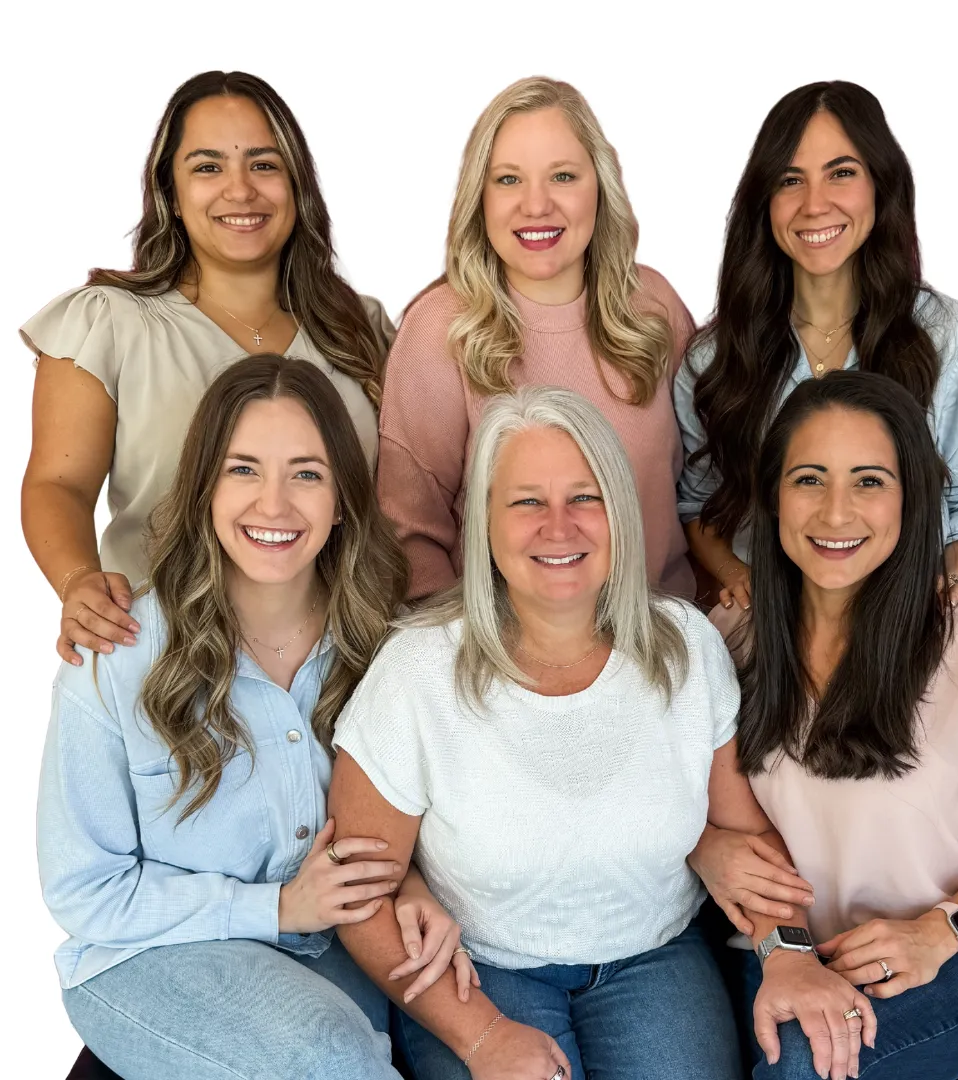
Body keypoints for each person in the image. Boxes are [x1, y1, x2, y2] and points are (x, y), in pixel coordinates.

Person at [326, 385, 836, 1080]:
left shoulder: (685, 647)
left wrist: (791, 956)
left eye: (584, 498)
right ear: (484, 521)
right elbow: (360, 894)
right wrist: (480, 1040)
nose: (558, 527)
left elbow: (745, 840)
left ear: (619, 514)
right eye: (527, 501)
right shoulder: (417, 672)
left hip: (654, 958)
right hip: (482, 971)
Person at [38, 356, 475, 1080]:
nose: (273, 505)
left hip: (332, 947)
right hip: (151, 957)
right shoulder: (116, 654)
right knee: (327, 1054)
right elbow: (86, 891)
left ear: (342, 501)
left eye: (305, 473)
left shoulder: (383, 648)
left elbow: (411, 816)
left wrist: (417, 886)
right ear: (204, 487)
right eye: (243, 470)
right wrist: (274, 908)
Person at [697, 371, 958, 1080]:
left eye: (869, 481)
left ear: (911, 500)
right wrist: (705, 849)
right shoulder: (728, 644)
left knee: (805, 1070)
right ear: (773, 495)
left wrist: (945, 929)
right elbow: (673, 801)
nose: (836, 512)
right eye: (809, 479)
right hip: (783, 949)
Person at [21, 70, 395, 667]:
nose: (240, 190)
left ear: (298, 185)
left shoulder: (361, 329)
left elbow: (400, 500)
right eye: (207, 166)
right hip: (164, 660)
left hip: (339, 667)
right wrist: (78, 582)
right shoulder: (108, 324)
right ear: (169, 189)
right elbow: (57, 484)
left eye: (264, 164)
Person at [675, 81, 958, 613]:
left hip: (903, 640)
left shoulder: (951, 339)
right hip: (764, 648)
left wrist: (947, 587)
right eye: (790, 180)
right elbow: (699, 505)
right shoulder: (713, 357)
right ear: (764, 202)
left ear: (880, 185)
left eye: (841, 173)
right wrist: (739, 579)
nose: (815, 205)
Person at [376, 76, 697, 601]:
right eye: (508, 180)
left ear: (601, 183)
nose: (536, 205)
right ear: (478, 195)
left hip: (663, 641)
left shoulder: (653, 305)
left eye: (563, 176)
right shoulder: (440, 328)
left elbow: (701, 488)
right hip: (504, 661)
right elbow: (408, 534)